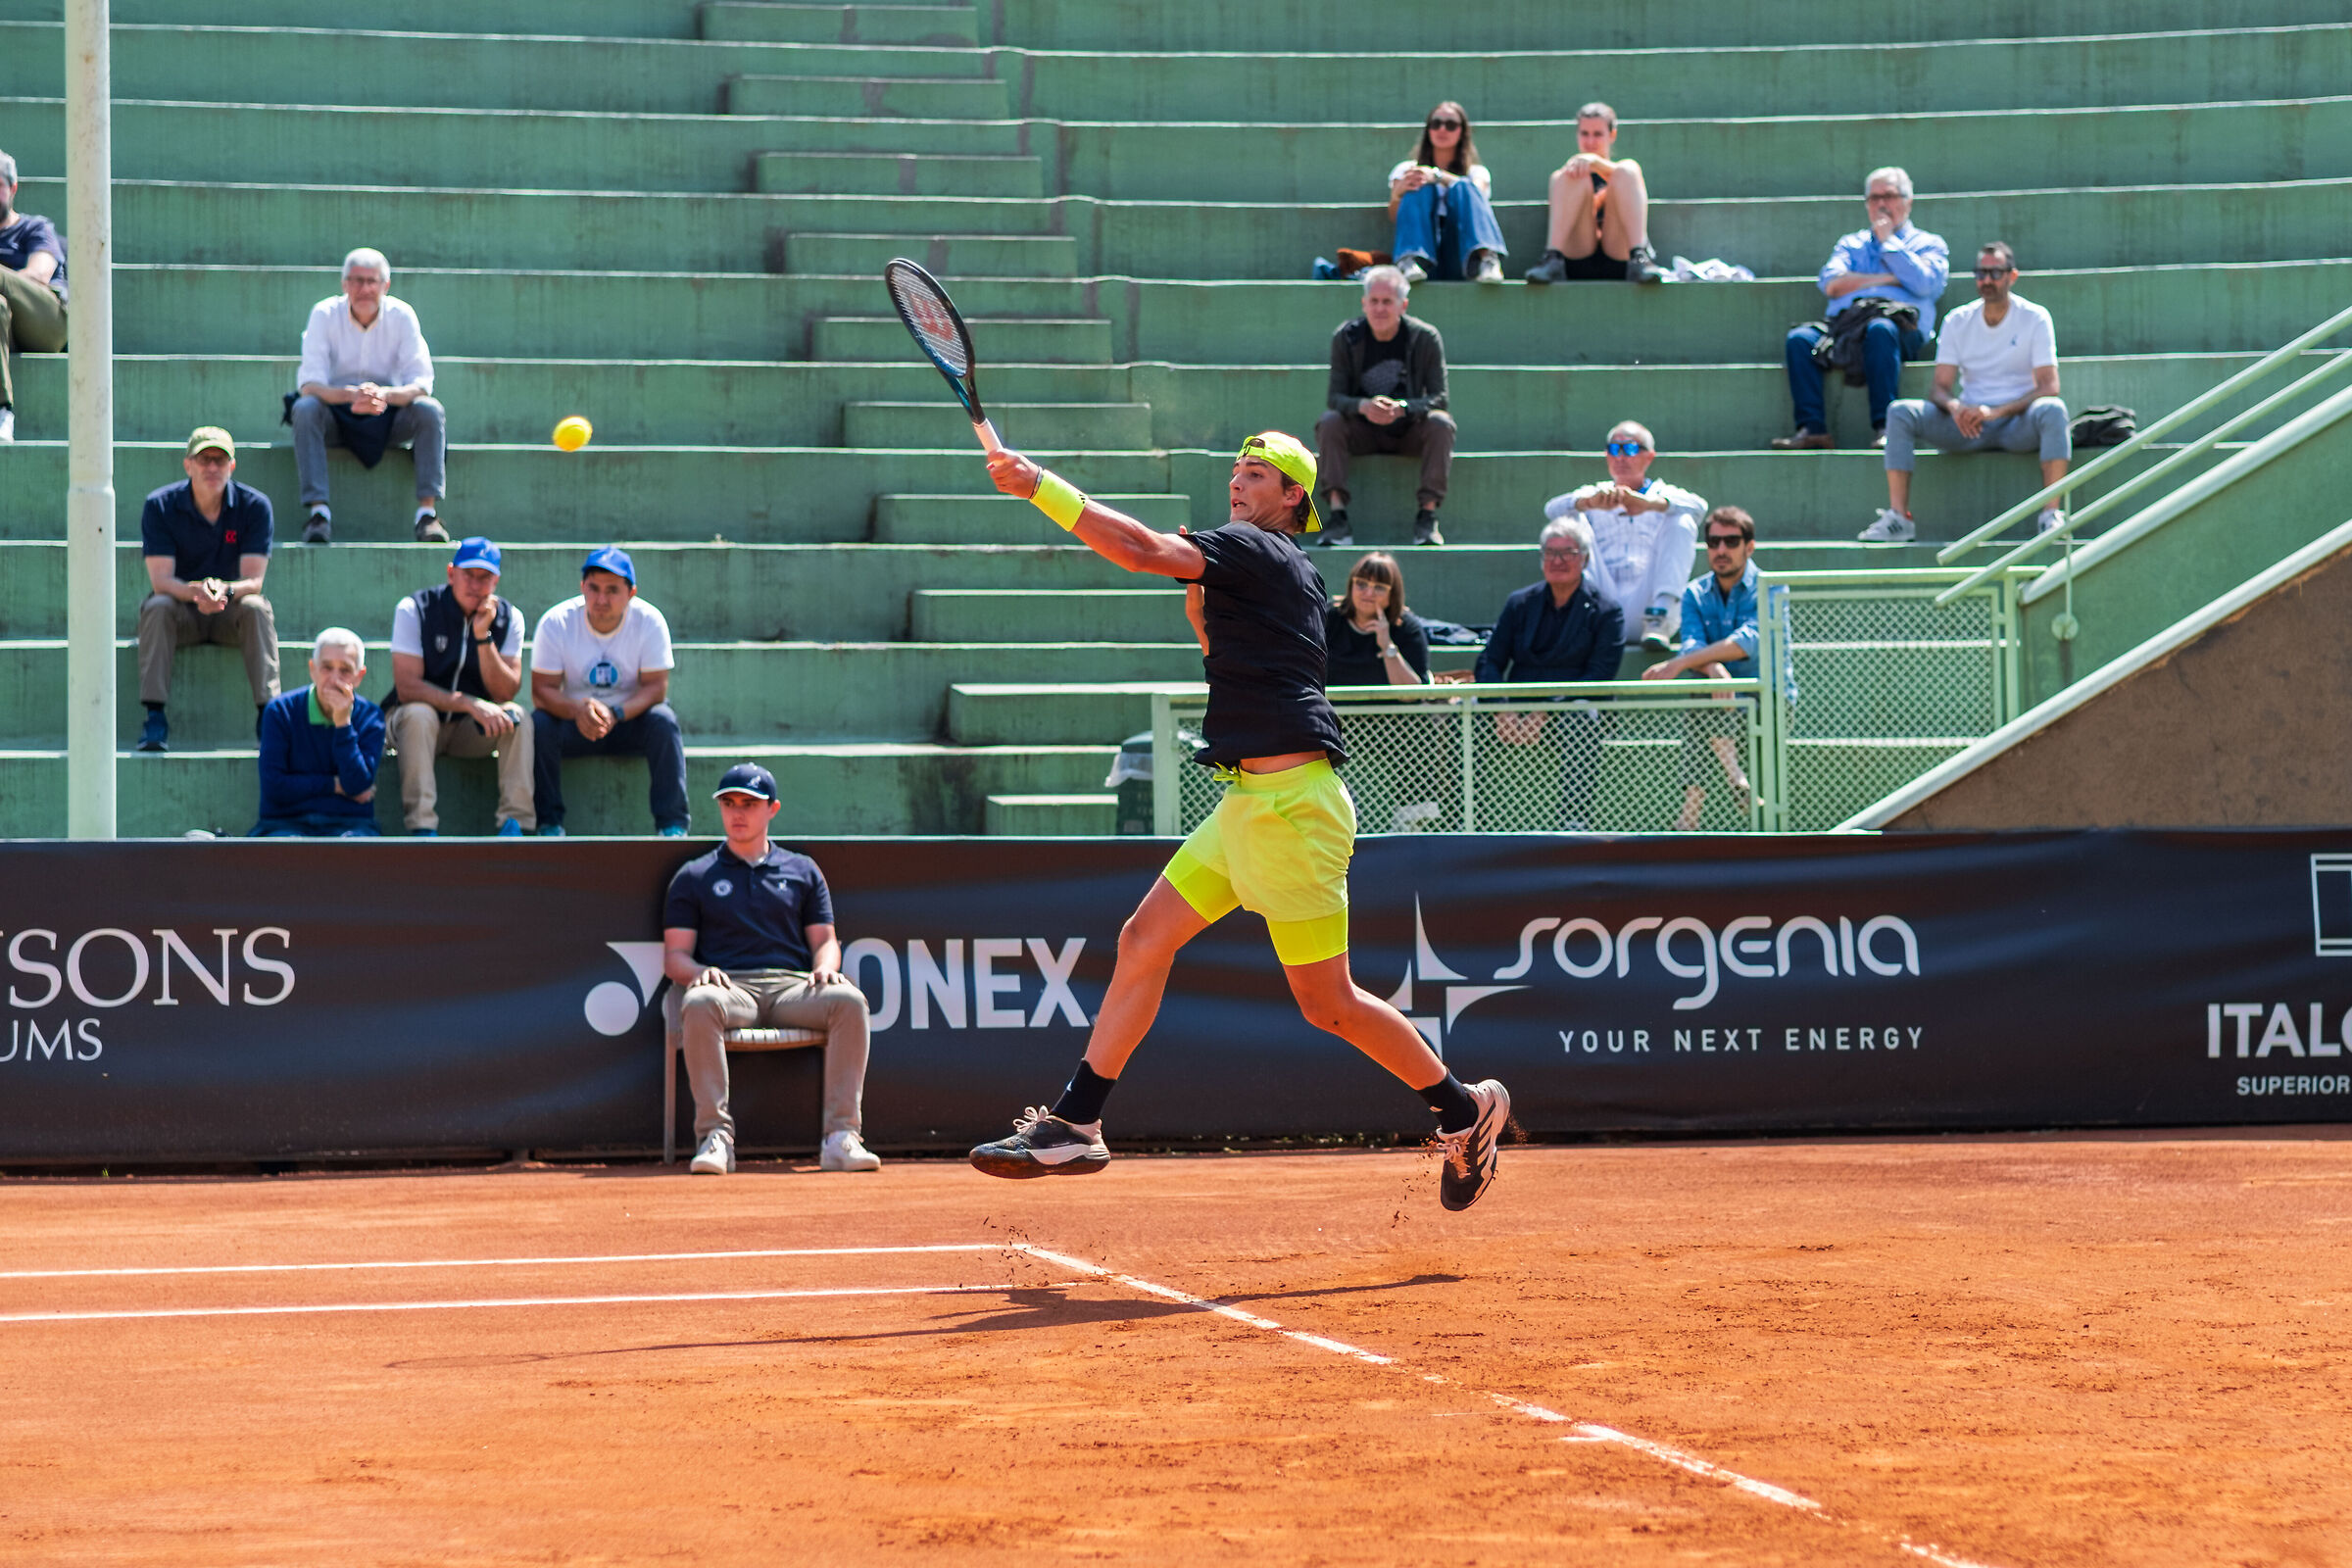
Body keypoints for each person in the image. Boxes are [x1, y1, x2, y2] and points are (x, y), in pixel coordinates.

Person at [972, 430, 1510, 1211]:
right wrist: (1204, 614)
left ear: (1294, 497)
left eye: (1257, 475)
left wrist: (1039, 485)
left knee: (1329, 1003)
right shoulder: (1267, 569)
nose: (1238, 483)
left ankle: (1467, 1113)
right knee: (1143, 938)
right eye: (1235, 472)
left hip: (1295, 812)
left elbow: (1136, 549)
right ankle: (1077, 1122)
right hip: (1246, 805)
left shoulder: (1260, 549)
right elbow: (1223, 648)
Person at [661, 762, 881, 1176]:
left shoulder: (803, 870)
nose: (737, 812)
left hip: (792, 990)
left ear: (772, 809)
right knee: (700, 1000)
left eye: (749, 803)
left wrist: (825, 968)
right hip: (730, 989)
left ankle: (841, 1138)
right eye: (729, 803)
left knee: (849, 1001)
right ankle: (715, 1138)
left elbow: (825, 941)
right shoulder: (693, 876)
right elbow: (675, 957)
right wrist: (699, 973)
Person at [1863, 243, 2071, 542]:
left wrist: (1996, 412)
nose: (1986, 280)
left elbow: (2049, 386)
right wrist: (1956, 408)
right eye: (1981, 273)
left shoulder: (2035, 317)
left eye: (1995, 273)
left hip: (2017, 423)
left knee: (2053, 410)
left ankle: (2050, 516)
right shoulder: (1958, 320)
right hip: (1967, 425)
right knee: (1900, 412)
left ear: (2012, 276)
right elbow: (1939, 387)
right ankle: (1898, 518)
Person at [1773, 168, 1950, 451]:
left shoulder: (1928, 244)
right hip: (1846, 326)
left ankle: (1886, 427)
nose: (1882, 204)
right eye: (1874, 197)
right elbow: (1831, 283)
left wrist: (1888, 243)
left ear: (1908, 201)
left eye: (1890, 196)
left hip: (1898, 328)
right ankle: (1813, 429)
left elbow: (1925, 284)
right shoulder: (1851, 243)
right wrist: (1891, 279)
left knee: (1880, 329)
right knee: (1800, 340)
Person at [135, 427, 281, 754]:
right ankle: (155, 716)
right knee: (157, 605)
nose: (212, 468)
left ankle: (268, 717)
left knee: (257, 607)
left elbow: (254, 581)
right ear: (188, 465)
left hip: (231, 613)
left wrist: (222, 592)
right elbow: (161, 581)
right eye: (204, 460)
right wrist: (198, 593)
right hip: (182, 613)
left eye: (220, 460)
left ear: (232, 466)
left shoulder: (255, 506)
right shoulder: (160, 505)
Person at [1474, 516, 1624, 831]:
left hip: (1575, 704)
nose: (1557, 561)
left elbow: (1599, 675)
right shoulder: (1519, 603)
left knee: (1582, 717)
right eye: (1550, 553)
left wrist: (1547, 709)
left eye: (1567, 553)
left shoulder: (1608, 610)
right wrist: (1501, 705)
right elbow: (1489, 660)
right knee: (1468, 712)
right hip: (1516, 708)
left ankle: (1574, 820)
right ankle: (1466, 816)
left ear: (1584, 558)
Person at [291, 247, 447, 544]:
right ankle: (318, 513)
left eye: (371, 281)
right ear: (344, 284)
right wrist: (352, 396)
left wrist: (383, 396)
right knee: (305, 408)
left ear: (385, 286)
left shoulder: (402, 316)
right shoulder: (324, 314)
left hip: (388, 413)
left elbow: (422, 383)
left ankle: (427, 515)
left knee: (429, 410)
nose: (364, 289)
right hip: (336, 412)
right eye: (356, 280)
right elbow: (309, 384)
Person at [529, 546, 687, 838]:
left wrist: (616, 713)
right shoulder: (557, 622)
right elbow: (541, 691)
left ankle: (672, 826)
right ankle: (549, 824)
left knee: (663, 720)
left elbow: (656, 688)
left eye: (612, 590)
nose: (601, 599)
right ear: (582, 587)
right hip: (575, 721)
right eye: (594, 588)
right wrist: (578, 710)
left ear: (632, 593)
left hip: (628, 721)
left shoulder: (650, 621)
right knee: (538, 724)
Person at [386, 536, 534, 837]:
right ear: (451, 572)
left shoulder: (510, 617)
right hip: (413, 728)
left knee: (516, 717)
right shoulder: (415, 608)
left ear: (496, 581)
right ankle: (422, 827)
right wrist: (469, 703)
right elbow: (407, 688)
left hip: (468, 732)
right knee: (418, 714)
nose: (476, 585)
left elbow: (506, 692)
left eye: (485, 577)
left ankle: (515, 826)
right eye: (468, 574)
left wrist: (483, 636)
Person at [1541, 419, 1706, 660]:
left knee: (1682, 521)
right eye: (1614, 450)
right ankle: (1579, 618)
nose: (1621, 458)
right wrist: (1587, 503)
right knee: (1570, 520)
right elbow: (1551, 509)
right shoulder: (1596, 493)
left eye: (1629, 449)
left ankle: (1659, 618)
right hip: (1601, 601)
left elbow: (1700, 507)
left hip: (1649, 605)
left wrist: (1650, 505)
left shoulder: (1664, 494)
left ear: (1649, 457)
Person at [1313, 266, 1453, 549]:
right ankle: (1338, 518)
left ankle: (1427, 517)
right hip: (1362, 431)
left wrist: (1402, 407)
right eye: (1374, 301)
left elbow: (1439, 397)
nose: (1379, 308)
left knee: (1441, 423)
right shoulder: (1347, 337)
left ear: (1403, 305)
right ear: (1364, 304)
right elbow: (1335, 398)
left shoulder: (1425, 337)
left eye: (1387, 302)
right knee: (1329, 421)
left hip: (1408, 431)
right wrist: (1363, 406)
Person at [1643, 506, 1759, 830]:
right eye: (1713, 542)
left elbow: (1746, 642)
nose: (1721, 550)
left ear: (1749, 547)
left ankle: (1689, 816)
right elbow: (1692, 642)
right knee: (1704, 692)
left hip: (1765, 700)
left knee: (1701, 698)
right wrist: (1713, 667)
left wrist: (1681, 663)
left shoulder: (1768, 588)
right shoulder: (1695, 592)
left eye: (1731, 541)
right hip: (1717, 696)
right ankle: (1735, 776)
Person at [253, 628, 384, 837]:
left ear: (359, 676)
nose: (334, 678)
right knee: (284, 853)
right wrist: (334, 785)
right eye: (327, 667)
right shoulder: (280, 711)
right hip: (284, 824)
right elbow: (274, 787)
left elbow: (357, 785)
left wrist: (343, 724)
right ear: (312, 669)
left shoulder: (370, 716)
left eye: (345, 670)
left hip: (351, 825)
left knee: (360, 853)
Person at [1522, 103, 1665, 285]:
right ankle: (1552, 258)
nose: (1590, 142)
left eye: (1597, 134)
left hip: (1620, 258)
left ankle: (1640, 258)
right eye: (1584, 134)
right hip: (1577, 257)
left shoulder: (1623, 175)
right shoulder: (1568, 179)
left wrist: (1596, 162)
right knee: (1567, 175)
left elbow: (1625, 173)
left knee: (1629, 168)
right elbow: (1562, 179)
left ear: (1612, 135)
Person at [1388, 101, 1507, 286]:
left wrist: (1437, 175)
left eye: (1451, 125)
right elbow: (1395, 216)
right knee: (1419, 183)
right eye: (1436, 124)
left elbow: (1478, 199)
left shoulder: (1476, 172)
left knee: (1464, 186)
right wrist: (1398, 194)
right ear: (1428, 130)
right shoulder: (1406, 170)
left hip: (1461, 253)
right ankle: (1409, 261)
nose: (1442, 129)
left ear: (1462, 132)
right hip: (1423, 253)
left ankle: (1488, 260)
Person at [0, 148, 68, 445]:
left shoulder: (35, 227)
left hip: (47, 323)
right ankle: (3, 412)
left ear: (13, 188)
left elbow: (40, 273)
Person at [1324, 551, 1429, 688]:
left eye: (1379, 587)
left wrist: (1387, 647)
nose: (1368, 593)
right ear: (1351, 586)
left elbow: (1412, 695)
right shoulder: (1328, 618)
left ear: (1392, 595)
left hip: (1388, 709)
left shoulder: (1407, 628)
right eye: (1361, 584)